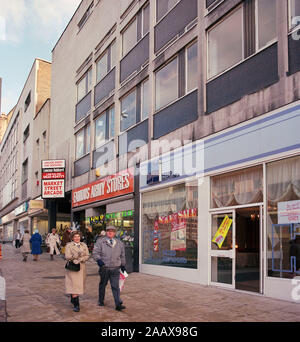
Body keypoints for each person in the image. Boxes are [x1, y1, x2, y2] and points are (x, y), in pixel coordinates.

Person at [92, 225, 127, 311]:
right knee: (103, 285)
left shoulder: (119, 243)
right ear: (106, 232)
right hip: (105, 268)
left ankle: (118, 303)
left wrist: (123, 265)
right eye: (108, 231)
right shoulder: (100, 242)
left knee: (115, 286)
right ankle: (101, 300)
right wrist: (99, 261)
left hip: (115, 268)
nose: (110, 232)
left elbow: (122, 255)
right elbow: (95, 253)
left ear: (115, 233)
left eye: (112, 231)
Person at [65, 231, 90, 312]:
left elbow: (87, 255)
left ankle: (73, 298)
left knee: (79, 285)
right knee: (74, 286)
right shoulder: (69, 245)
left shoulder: (84, 245)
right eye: (75, 236)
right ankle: (76, 305)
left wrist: (81, 259)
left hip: (82, 268)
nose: (77, 238)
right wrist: (76, 256)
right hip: (73, 268)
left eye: (78, 236)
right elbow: (67, 256)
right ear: (72, 238)